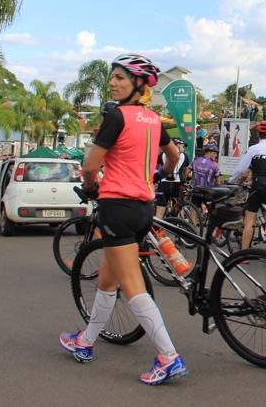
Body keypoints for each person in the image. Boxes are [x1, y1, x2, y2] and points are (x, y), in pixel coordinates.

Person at [59, 53, 187, 385]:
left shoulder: (116, 116)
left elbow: (89, 167)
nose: (112, 83)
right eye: (112, 77)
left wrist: (91, 188)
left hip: (116, 206)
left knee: (132, 287)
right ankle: (86, 342)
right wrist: (159, 176)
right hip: (144, 207)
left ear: (138, 84)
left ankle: (169, 356)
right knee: (107, 280)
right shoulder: (153, 119)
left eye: (120, 78)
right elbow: (174, 157)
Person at [229, 121, 266, 249]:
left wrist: (231, 182)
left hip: (258, 186)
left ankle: (244, 253)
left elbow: (241, 170)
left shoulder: (254, 149)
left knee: (249, 220)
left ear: (258, 133)